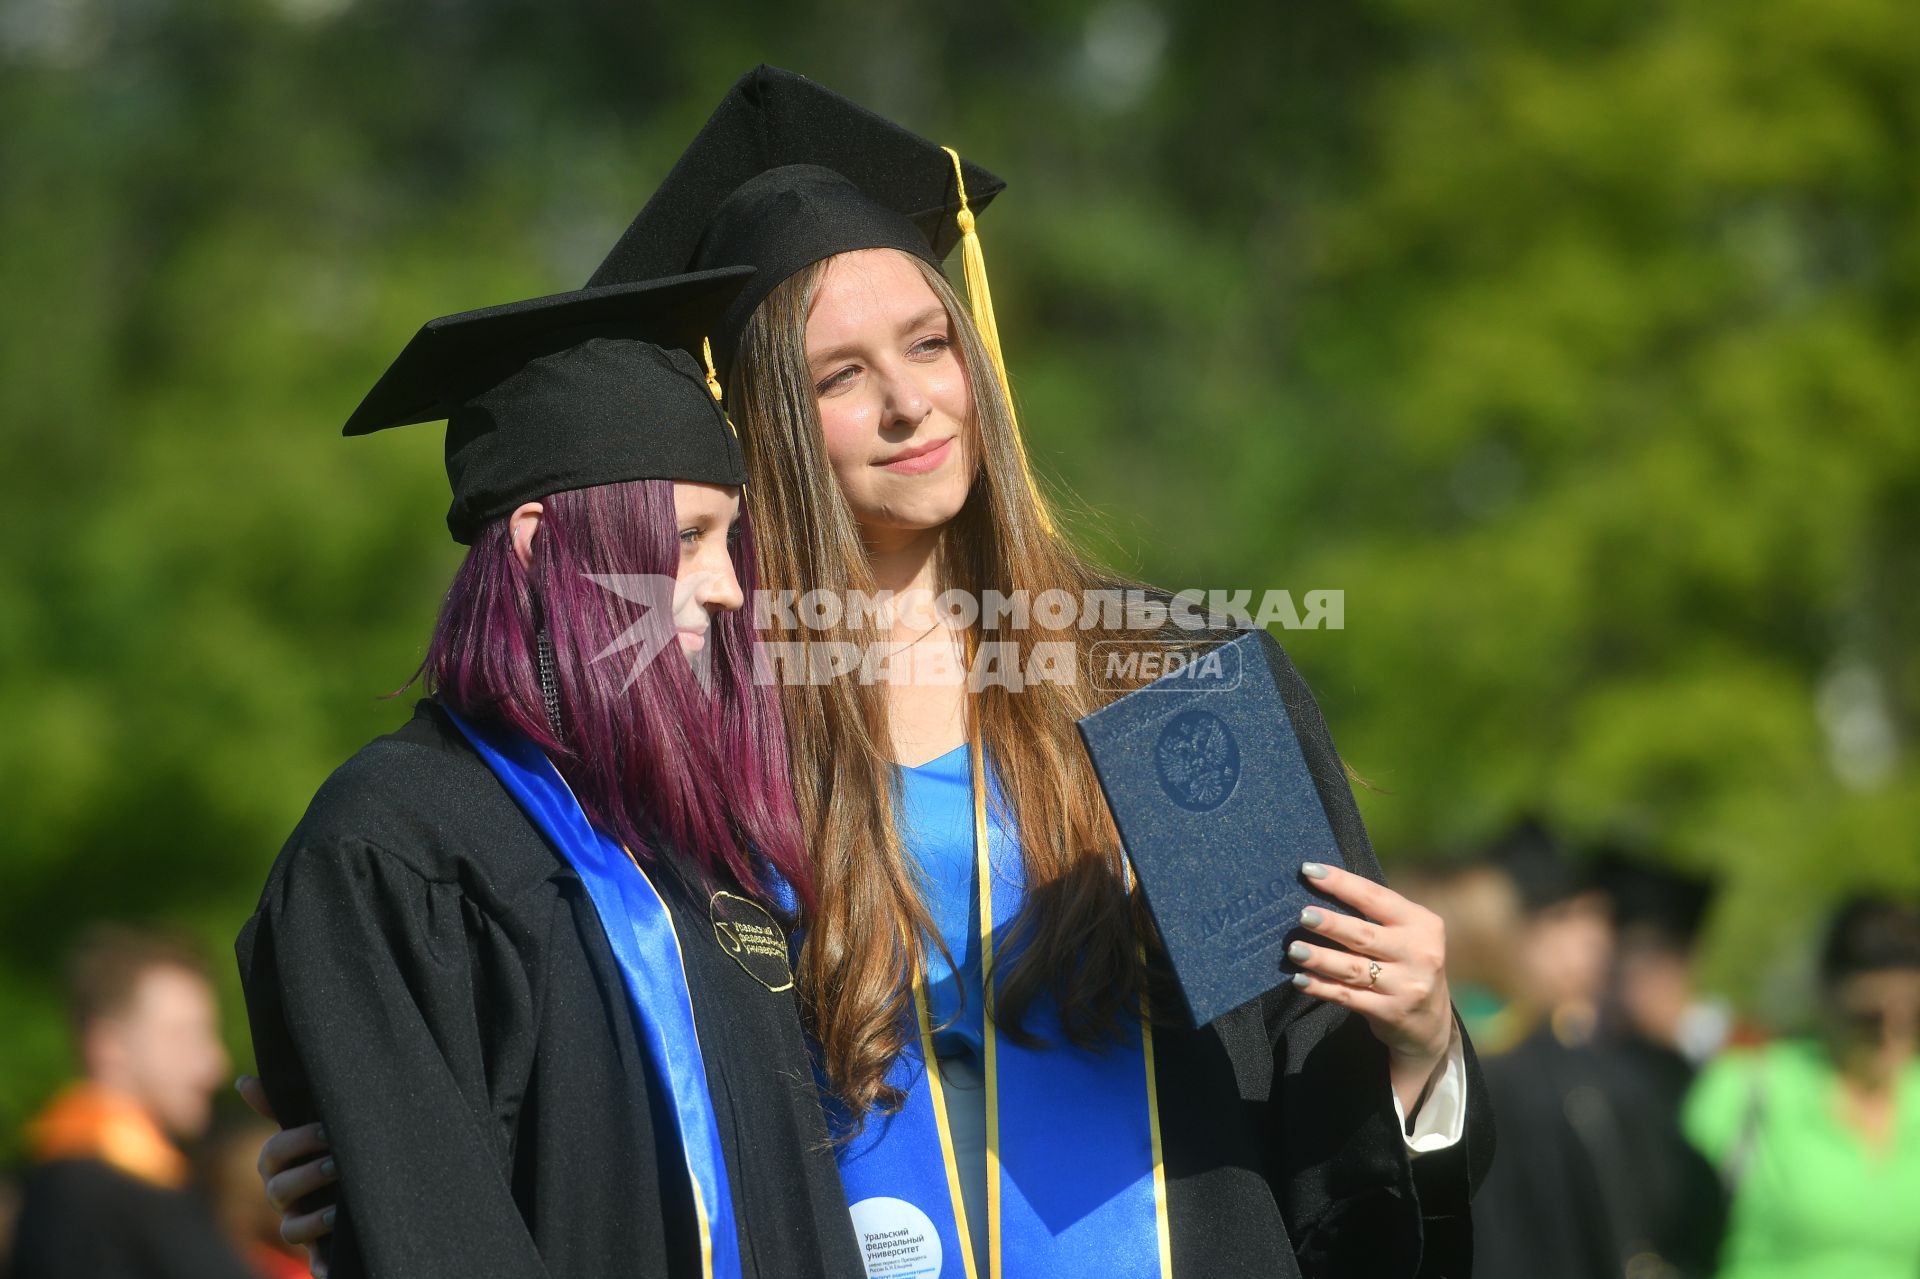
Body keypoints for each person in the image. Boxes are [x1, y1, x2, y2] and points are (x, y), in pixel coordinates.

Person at [263, 65, 1492, 1277]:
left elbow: (1312, 1072)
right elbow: (604, 1067)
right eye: (840, 376)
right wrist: (395, 1158)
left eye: (930, 343)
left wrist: (1424, 1051)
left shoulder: (1164, 681)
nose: (912, 401)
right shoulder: (692, 722)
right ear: (759, 425)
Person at [235, 269, 863, 1279]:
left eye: (731, 537)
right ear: (538, 546)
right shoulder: (393, 848)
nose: (730, 586)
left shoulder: (705, 852)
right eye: (691, 536)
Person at [1683, 896, 1920, 1279]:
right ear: (1827, 995)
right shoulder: (1749, 1088)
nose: (1893, 1033)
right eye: (1871, 1016)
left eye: (1915, 1013)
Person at [8, 925, 256, 1279]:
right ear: (109, 1046)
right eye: (182, 1035)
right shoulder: (80, 1195)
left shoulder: (153, 1178)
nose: (215, 1064)